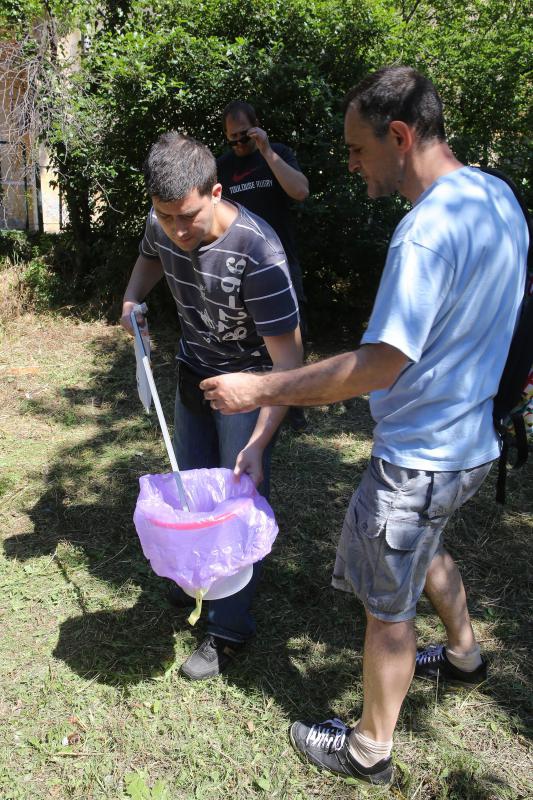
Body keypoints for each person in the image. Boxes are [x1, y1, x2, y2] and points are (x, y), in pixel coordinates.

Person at [200, 67, 528, 784]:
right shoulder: (495, 195)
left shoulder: (424, 235)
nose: (348, 165)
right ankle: (468, 657)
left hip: (419, 457)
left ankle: (367, 749)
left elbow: (376, 366)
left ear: (400, 137)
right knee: (425, 544)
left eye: (356, 150)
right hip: (471, 444)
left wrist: (261, 385)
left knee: (387, 611)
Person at [121, 132, 303, 681]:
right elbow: (148, 258)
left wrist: (257, 443)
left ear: (217, 191)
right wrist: (133, 298)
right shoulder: (163, 223)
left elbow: (290, 365)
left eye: (189, 217)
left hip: (248, 388)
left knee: (234, 501)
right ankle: (191, 578)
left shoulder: (259, 253)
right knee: (189, 490)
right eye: (166, 216)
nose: (177, 230)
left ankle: (229, 627)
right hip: (191, 373)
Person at [217, 100, 310, 431]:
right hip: (240, 267)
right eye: (232, 139)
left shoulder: (278, 153)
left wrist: (266, 151)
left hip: (281, 261)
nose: (239, 144)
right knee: (252, 340)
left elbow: (300, 191)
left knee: (292, 337)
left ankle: (294, 409)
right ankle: (261, 406)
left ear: (257, 127)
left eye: (244, 136)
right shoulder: (223, 167)